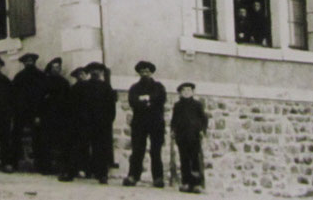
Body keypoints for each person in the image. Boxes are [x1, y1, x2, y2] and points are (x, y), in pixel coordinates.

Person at [62, 62, 116, 184]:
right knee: (77, 148)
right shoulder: (81, 86)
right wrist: (76, 121)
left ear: (102, 73)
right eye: (92, 70)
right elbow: (72, 105)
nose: (95, 72)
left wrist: (107, 122)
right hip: (83, 124)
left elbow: (111, 108)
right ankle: (70, 173)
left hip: (100, 124)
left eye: (98, 70)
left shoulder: (106, 87)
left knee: (100, 149)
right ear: (89, 72)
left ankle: (102, 175)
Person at [123, 60, 167, 188]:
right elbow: (133, 102)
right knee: (137, 150)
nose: (145, 74)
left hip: (156, 122)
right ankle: (133, 176)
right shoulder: (134, 88)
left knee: (156, 151)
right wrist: (148, 101)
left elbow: (160, 99)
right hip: (139, 123)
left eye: (147, 71)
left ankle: (158, 178)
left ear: (151, 72)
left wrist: (146, 98)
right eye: (142, 71)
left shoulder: (159, 86)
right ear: (139, 73)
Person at [171, 82, 208, 194]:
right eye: (184, 90)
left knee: (195, 159)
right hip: (182, 136)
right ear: (180, 93)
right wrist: (173, 131)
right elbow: (174, 120)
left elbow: (204, 119)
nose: (186, 92)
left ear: (193, 92)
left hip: (194, 136)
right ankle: (186, 182)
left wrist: (202, 130)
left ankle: (197, 184)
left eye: (189, 90)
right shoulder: (177, 105)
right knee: (184, 159)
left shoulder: (197, 104)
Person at [11, 53, 45, 170]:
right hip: (20, 111)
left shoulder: (41, 76)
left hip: (36, 111)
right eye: (26, 61)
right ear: (23, 63)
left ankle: (40, 163)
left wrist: (39, 113)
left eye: (31, 61)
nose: (29, 63)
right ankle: (14, 162)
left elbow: (43, 95)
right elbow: (13, 95)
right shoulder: (19, 77)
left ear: (34, 62)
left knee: (38, 137)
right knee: (16, 135)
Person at [38, 57, 70, 174]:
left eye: (59, 67)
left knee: (62, 142)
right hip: (47, 116)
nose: (57, 69)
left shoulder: (64, 82)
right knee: (46, 142)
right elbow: (39, 100)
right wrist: (38, 115)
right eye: (55, 67)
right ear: (50, 69)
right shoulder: (44, 82)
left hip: (61, 117)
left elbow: (68, 100)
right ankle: (45, 167)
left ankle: (62, 167)